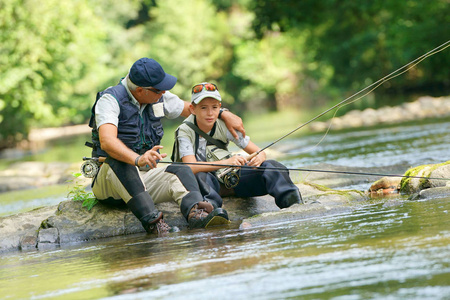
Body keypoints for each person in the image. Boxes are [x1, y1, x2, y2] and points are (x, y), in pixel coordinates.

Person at [87, 58, 244, 232]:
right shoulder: (110, 100)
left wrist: (223, 113)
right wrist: (138, 159)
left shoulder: (158, 96)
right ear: (140, 90)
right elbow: (107, 142)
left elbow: (191, 109)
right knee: (120, 163)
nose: (164, 93)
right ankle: (155, 225)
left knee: (180, 168)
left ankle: (197, 214)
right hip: (110, 182)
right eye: (159, 90)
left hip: (146, 179)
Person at [171, 82, 303, 214]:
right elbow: (190, 166)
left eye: (214, 107)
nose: (210, 113)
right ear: (193, 109)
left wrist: (259, 157)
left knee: (272, 165)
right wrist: (226, 163)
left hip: (231, 180)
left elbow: (258, 151)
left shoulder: (225, 124)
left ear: (220, 108)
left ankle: (293, 203)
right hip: (206, 183)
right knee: (200, 176)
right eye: (203, 108)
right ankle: (209, 212)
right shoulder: (184, 130)